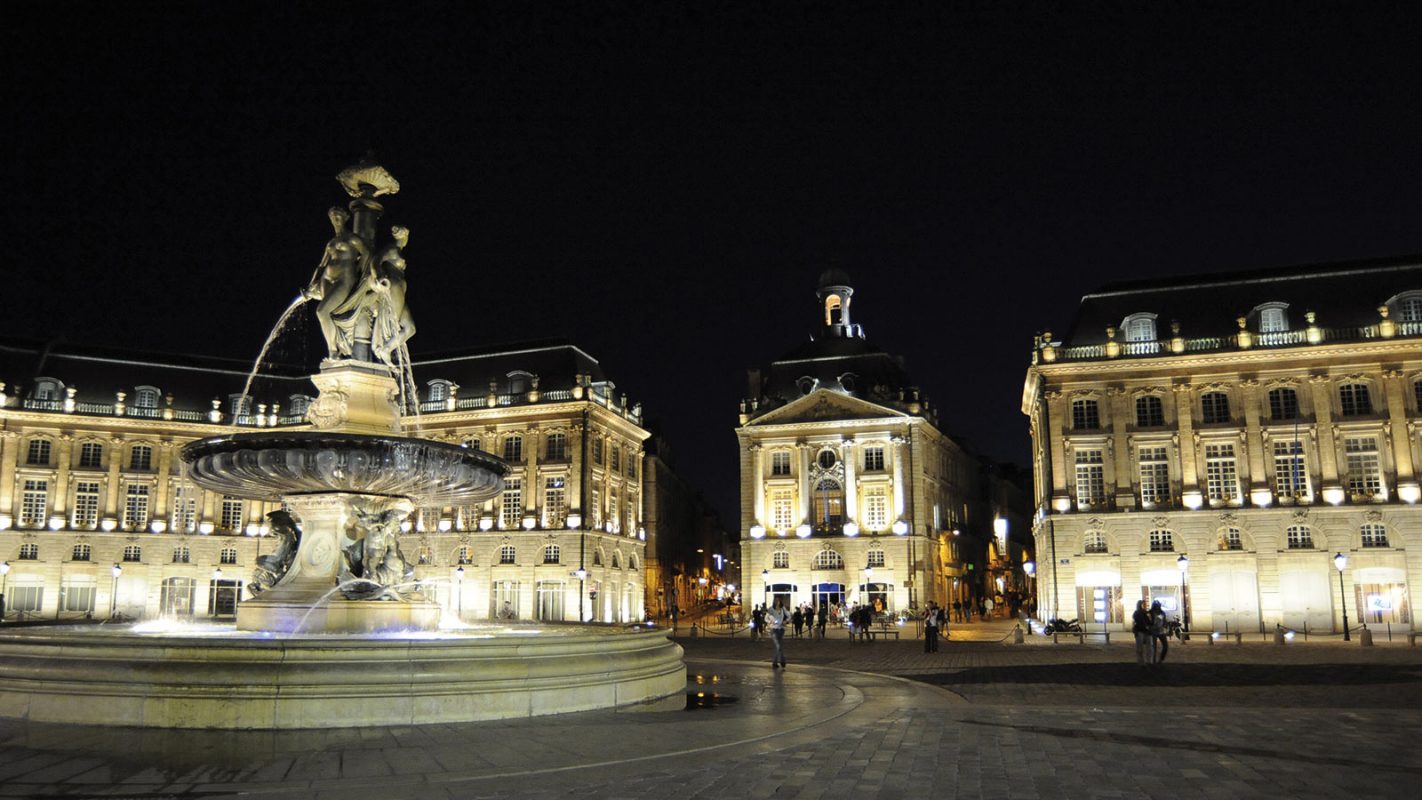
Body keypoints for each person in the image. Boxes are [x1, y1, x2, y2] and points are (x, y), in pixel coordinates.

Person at [766, 599, 790, 668]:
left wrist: (786, 621)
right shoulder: (771, 609)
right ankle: (782, 660)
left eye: (778, 602)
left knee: (779, 646)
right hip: (773, 629)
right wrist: (770, 622)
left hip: (781, 629)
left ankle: (775, 662)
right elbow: (766, 618)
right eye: (776, 602)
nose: (777, 603)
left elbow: (789, 616)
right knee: (778, 646)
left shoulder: (783, 609)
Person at [1132, 600, 1156, 667]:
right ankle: (1141, 662)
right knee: (1140, 648)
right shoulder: (1138, 613)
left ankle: (1149, 661)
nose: (1144, 606)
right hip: (1140, 631)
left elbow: (1150, 623)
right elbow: (1138, 622)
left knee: (1149, 647)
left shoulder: (1146, 613)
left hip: (1146, 631)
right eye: (1142, 604)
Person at [1150, 600, 1170, 664]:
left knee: (1165, 646)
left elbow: (1164, 621)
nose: (1157, 608)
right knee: (1153, 647)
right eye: (1156, 607)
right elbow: (1149, 622)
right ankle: (1153, 661)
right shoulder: (1150, 613)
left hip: (1161, 631)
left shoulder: (1162, 613)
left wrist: (1166, 626)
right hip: (1153, 632)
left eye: (1158, 607)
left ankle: (1160, 660)